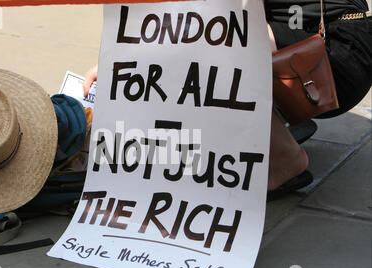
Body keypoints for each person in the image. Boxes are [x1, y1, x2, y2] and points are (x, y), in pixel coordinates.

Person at [83, 0, 371, 199]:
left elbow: (229, 27)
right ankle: (273, 126)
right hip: (331, 48)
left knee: (215, 49)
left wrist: (128, 62)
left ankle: (285, 161)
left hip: (332, 61)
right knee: (206, 48)